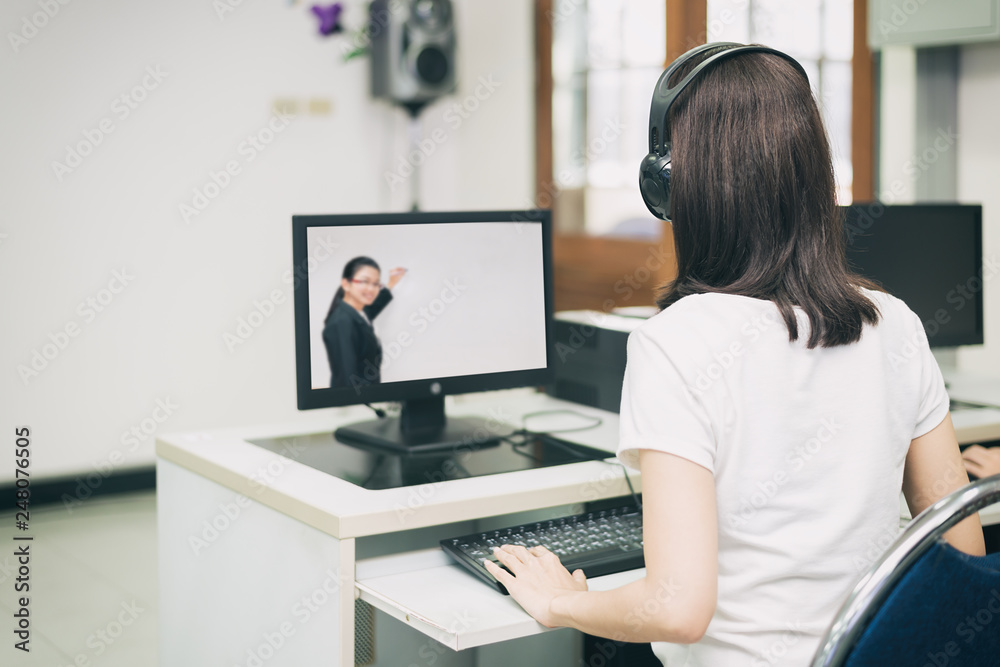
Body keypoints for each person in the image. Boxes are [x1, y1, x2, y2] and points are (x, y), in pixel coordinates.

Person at [484, 42, 985, 665]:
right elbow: (962, 553)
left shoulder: (675, 343)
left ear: (670, 185)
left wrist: (559, 602)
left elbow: (676, 608)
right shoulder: (896, 323)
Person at [322, 256, 406, 389]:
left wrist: (391, 284)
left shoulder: (359, 313)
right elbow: (347, 380)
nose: (371, 289)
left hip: (366, 399)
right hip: (355, 404)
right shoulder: (342, 323)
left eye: (375, 284)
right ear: (346, 284)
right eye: (365, 282)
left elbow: (374, 306)